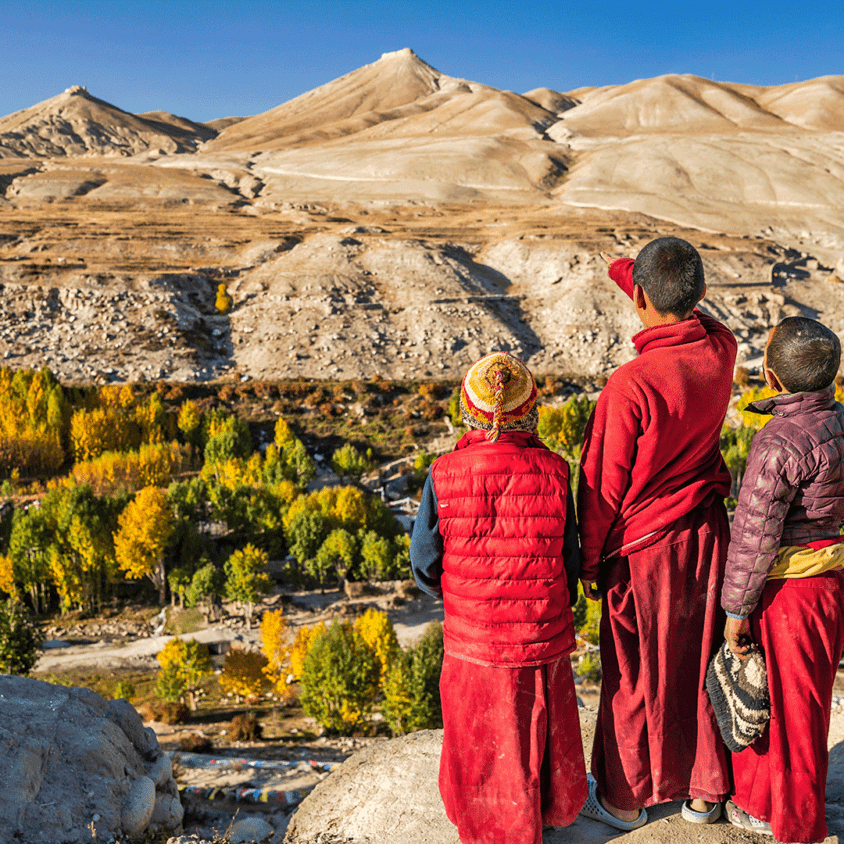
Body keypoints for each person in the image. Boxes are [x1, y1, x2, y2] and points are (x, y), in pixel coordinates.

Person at [577, 237, 735, 830]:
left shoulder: (631, 385)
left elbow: (600, 490)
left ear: (639, 296)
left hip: (643, 552)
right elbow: (693, 312)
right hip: (707, 536)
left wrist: (591, 567)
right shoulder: (720, 351)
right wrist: (639, 276)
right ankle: (702, 793)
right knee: (699, 659)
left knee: (633, 675)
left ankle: (622, 799)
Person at [410, 351, 587, 844]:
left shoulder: (443, 472)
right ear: (530, 410)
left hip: (473, 635)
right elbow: (568, 558)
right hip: (539, 630)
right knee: (537, 727)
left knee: (481, 733)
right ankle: (546, 812)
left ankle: (486, 822)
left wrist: (457, 596)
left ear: (467, 410)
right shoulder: (555, 470)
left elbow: (425, 561)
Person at [721, 316, 844, 842]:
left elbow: (753, 536)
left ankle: (798, 826)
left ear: (771, 380)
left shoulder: (777, 443)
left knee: (787, 715)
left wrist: (735, 612)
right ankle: (759, 803)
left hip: (789, 593)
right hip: (831, 582)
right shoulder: (839, 421)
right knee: (800, 703)